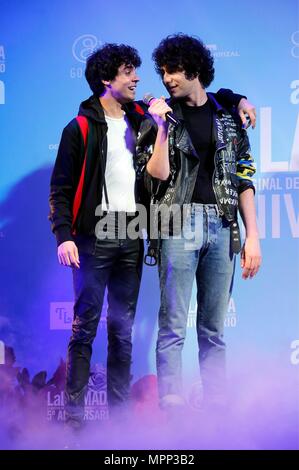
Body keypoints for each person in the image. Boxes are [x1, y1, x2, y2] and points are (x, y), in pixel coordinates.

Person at [49, 41, 256, 429]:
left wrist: (238, 97)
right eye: (130, 72)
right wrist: (64, 235)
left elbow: (211, 98)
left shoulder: (141, 114)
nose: (143, 78)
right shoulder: (82, 127)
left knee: (123, 334)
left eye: (146, 71)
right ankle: (74, 423)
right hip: (97, 235)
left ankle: (121, 424)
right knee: (85, 328)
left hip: (133, 234)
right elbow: (61, 188)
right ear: (108, 79)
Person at [140, 34, 261, 414]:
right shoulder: (160, 115)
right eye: (162, 71)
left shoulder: (227, 114)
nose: (166, 78)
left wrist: (253, 237)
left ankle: (216, 409)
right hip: (177, 222)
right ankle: (172, 408)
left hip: (223, 225)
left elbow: (244, 179)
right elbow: (156, 175)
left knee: (213, 330)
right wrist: (160, 128)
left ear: (194, 70)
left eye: (173, 70)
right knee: (173, 324)